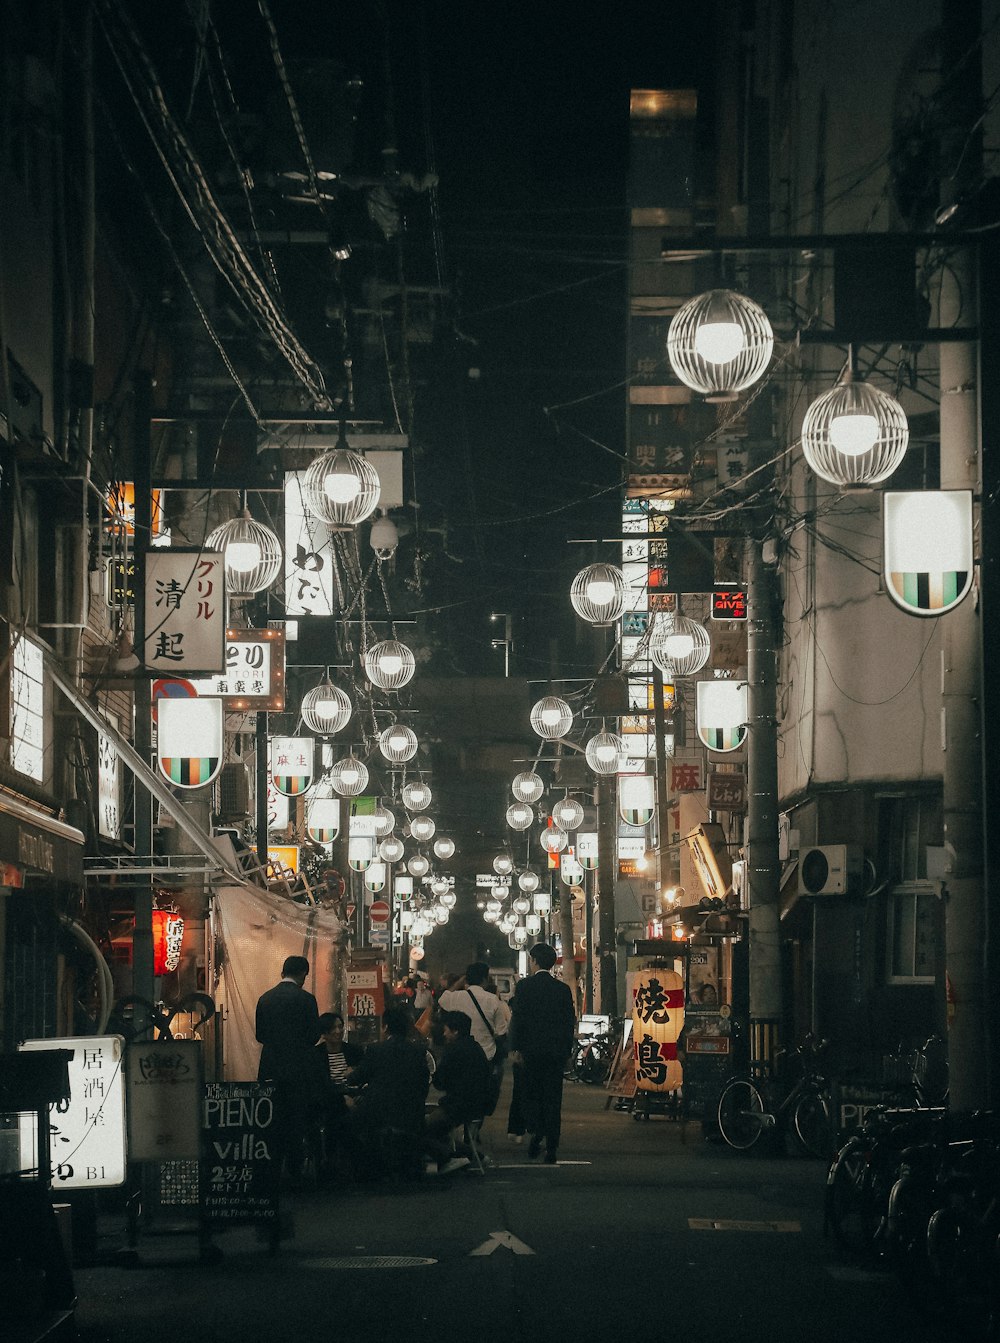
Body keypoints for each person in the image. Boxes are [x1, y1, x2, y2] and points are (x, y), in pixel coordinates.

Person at [255, 955, 322, 1185]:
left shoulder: (265, 999)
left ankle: (271, 1170)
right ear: (302, 973)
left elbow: (260, 1035)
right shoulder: (306, 1000)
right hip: (298, 1069)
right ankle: (295, 1170)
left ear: (283, 972)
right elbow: (314, 1036)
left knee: (271, 1120)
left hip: (271, 1067)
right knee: (296, 1119)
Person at [507, 942, 576, 1164]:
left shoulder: (525, 987)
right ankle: (552, 1147)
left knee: (532, 1095)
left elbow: (518, 1019)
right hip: (555, 1053)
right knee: (553, 1099)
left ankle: (537, 1132)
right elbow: (568, 1024)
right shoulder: (562, 989)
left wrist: (515, 1047)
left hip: (531, 1052)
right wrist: (567, 1052)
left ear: (535, 961)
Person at [344, 1006, 431, 1178]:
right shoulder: (418, 1052)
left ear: (385, 1027)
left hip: (380, 1112)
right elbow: (423, 1082)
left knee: (344, 1123)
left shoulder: (376, 1050)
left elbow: (356, 1078)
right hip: (412, 1112)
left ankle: (361, 1169)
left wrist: (348, 1074)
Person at [424, 1011, 491, 1174]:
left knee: (422, 1129)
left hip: (459, 1106)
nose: (444, 1033)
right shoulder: (476, 1048)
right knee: (440, 1131)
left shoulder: (453, 1051)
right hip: (478, 1105)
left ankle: (447, 1159)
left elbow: (440, 1082)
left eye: (446, 1030)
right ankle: (475, 1155)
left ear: (456, 1031)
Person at [314, 1012, 364, 1180]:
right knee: (337, 1116)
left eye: (340, 1026)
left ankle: (342, 1164)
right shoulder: (317, 1055)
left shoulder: (354, 1051)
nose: (338, 1031)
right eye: (333, 1028)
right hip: (331, 1102)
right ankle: (338, 1164)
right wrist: (341, 1098)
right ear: (324, 1033)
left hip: (353, 1096)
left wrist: (358, 1089)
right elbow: (320, 1086)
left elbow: (365, 1076)